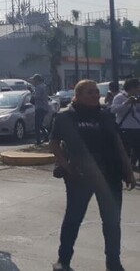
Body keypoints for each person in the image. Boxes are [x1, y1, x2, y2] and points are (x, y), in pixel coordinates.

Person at [50, 80, 136, 271]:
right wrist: (66, 166)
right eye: (90, 92)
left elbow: (117, 143)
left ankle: (113, 263)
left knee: (112, 222)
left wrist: (128, 171)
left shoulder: (105, 115)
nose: (95, 95)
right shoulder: (66, 117)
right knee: (73, 218)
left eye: (97, 92)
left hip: (110, 175)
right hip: (81, 177)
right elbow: (54, 144)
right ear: (78, 95)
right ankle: (63, 260)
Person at [110, 78, 140, 172]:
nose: (138, 90)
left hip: (137, 127)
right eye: (137, 88)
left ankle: (134, 167)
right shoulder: (120, 97)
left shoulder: (137, 97)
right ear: (131, 88)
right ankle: (124, 171)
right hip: (125, 128)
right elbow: (113, 110)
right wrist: (126, 103)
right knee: (125, 152)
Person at [30, 74, 50, 145]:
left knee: (37, 125)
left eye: (33, 80)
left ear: (37, 80)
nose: (33, 81)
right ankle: (46, 136)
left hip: (39, 107)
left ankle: (38, 140)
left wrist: (32, 94)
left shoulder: (38, 87)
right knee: (40, 124)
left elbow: (37, 97)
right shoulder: (44, 86)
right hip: (44, 107)